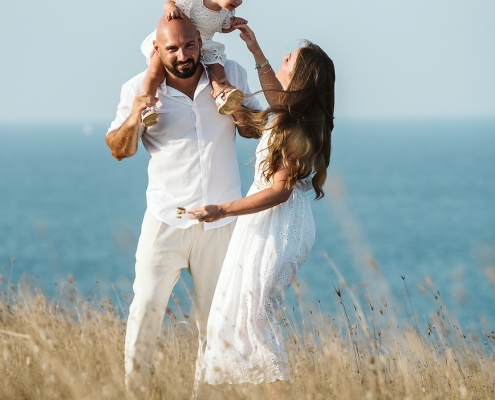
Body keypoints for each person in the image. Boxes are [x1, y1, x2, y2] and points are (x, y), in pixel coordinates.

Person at [105, 15, 260, 392]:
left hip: (221, 225)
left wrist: (228, 102)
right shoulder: (137, 89)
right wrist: (135, 116)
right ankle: (135, 392)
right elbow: (118, 150)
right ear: (157, 50)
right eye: (172, 48)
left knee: (216, 325)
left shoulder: (231, 75)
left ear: (200, 44)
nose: (183, 54)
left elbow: (254, 129)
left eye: (189, 45)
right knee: (144, 312)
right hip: (165, 223)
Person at [188, 23, 335, 398]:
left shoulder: (293, 126)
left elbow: (279, 191)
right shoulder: (292, 116)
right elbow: (276, 94)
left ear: (299, 78)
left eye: (288, 60)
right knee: (244, 313)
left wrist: (223, 209)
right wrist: (256, 52)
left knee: (254, 315)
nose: (281, 60)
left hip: (276, 224)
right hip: (275, 223)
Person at [140, 0, 248, 127]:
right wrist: (170, 8)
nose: (239, 2)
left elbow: (222, 27)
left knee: (217, 65)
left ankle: (222, 92)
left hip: (203, 43)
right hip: (175, 40)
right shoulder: (193, 1)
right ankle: (147, 105)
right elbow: (170, 2)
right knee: (155, 73)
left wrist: (233, 24)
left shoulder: (226, 12)